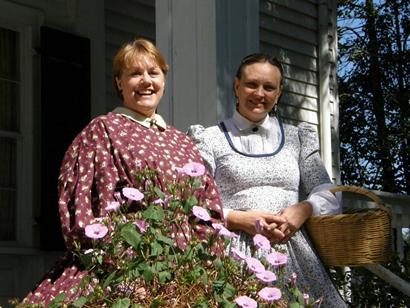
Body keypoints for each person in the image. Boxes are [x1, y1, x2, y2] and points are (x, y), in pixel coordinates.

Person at [22, 38, 223, 305]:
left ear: (164, 79)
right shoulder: (103, 131)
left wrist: (203, 268)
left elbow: (207, 207)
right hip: (122, 273)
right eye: (135, 74)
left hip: (184, 273)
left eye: (153, 72)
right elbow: (83, 209)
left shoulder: (181, 141)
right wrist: (126, 275)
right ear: (119, 82)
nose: (146, 81)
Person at [188, 53, 347, 307]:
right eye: (251, 84)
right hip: (234, 253)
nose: (259, 93)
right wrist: (238, 218)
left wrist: (304, 209)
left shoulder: (298, 138)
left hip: (295, 256)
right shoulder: (209, 139)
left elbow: (330, 192)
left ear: (278, 94)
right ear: (236, 86)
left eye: (269, 87)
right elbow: (195, 200)